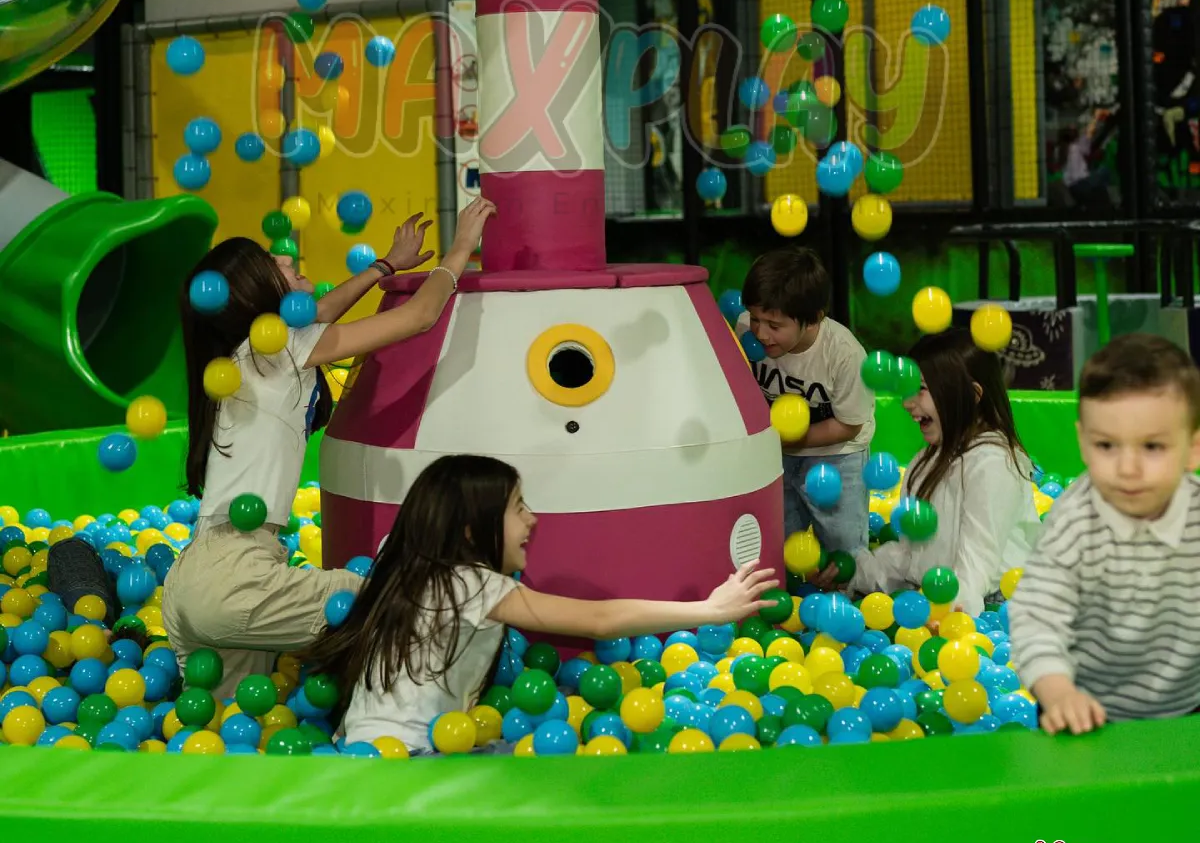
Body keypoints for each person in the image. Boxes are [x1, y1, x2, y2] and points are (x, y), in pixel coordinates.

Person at [162, 197, 496, 695]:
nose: (285, 259)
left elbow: (318, 312)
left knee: (223, 736)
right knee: (411, 607)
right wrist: (460, 251)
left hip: (192, 582)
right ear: (261, 301)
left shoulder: (248, 359)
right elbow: (420, 317)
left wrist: (385, 267)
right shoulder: (276, 352)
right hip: (236, 579)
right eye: (269, 264)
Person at [306, 454, 778, 753]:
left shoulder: (410, 563)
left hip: (358, 745)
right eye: (518, 507)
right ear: (472, 531)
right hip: (407, 759)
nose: (532, 519)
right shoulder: (468, 584)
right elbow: (598, 619)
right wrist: (710, 611)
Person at [1009, 333, 1200, 735]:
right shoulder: (1075, 523)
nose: (1127, 468)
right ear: (1082, 441)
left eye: (1152, 446)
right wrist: (1058, 693)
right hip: (1090, 709)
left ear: (1194, 447)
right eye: (1106, 445)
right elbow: (1036, 618)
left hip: (1188, 703)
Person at [833, 330, 1040, 618]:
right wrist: (854, 572)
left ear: (972, 395)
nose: (907, 403)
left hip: (995, 609)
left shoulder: (993, 464)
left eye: (920, 389)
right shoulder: (927, 460)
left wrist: (950, 612)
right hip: (934, 598)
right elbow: (910, 556)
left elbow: (977, 561)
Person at [737, 247, 873, 553]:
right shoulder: (745, 331)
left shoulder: (844, 355)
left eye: (774, 326)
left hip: (837, 455)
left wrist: (786, 441)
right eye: (755, 318)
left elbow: (849, 425)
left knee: (843, 542)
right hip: (777, 454)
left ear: (812, 320)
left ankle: (847, 587)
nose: (760, 333)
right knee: (778, 534)